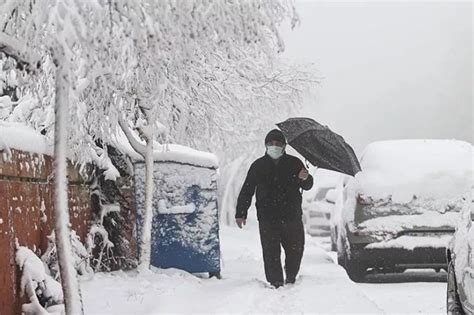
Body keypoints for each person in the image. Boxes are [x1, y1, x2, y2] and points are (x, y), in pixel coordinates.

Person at [235, 129, 313, 288]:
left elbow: (308, 185)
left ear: (284, 146)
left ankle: (291, 275)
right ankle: (275, 281)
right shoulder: (258, 166)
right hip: (267, 217)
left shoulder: (295, 163)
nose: (274, 146)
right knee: (270, 252)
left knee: (295, 250)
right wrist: (240, 213)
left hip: (291, 216)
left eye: (278, 143)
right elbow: (247, 190)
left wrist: (306, 178)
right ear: (266, 145)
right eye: (271, 143)